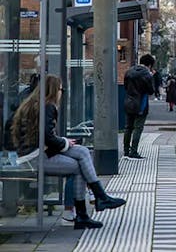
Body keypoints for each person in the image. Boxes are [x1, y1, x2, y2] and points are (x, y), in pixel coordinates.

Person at [10, 75, 126, 229]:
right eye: (60, 89)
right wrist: (64, 142)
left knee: (83, 152)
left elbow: (42, 136)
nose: (61, 92)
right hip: (35, 157)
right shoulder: (48, 106)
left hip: (32, 154)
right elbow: (47, 137)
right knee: (79, 166)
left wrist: (64, 142)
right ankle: (88, 208)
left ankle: (97, 200)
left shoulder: (33, 104)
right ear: (53, 90)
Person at [122, 54, 156, 159]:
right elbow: (151, 91)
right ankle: (134, 151)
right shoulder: (147, 75)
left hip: (129, 102)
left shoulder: (129, 71)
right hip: (141, 103)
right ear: (149, 65)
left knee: (128, 127)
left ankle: (126, 150)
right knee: (138, 128)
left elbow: (125, 86)